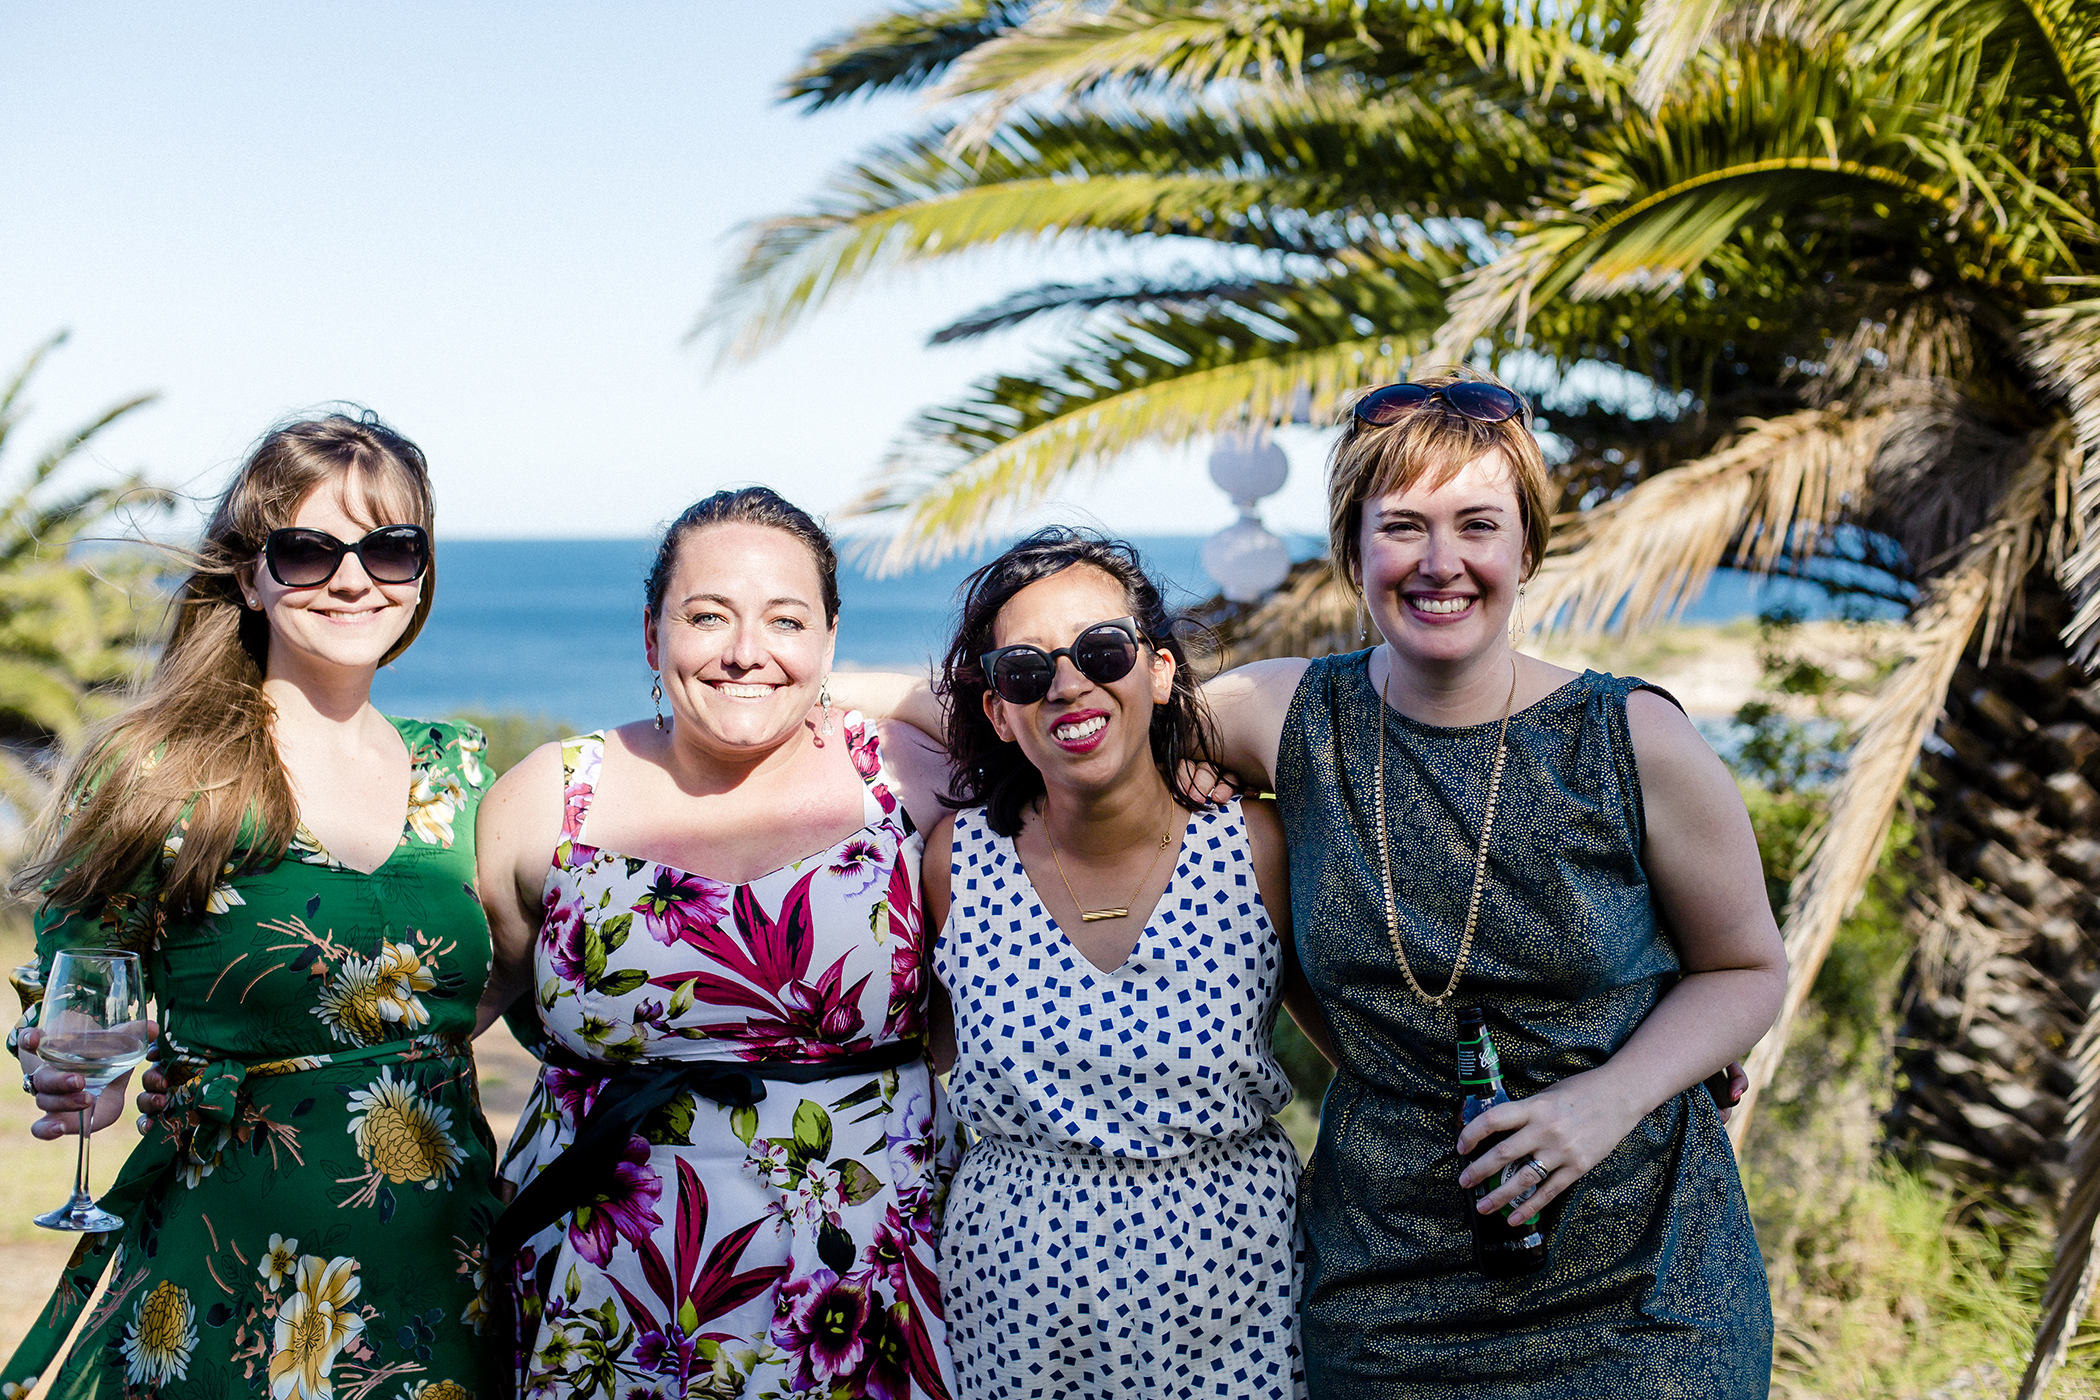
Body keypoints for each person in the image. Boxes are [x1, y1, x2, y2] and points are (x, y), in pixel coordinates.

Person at [1197, 372, 1785, 1396]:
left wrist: (1608, 1096)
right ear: (1352, 551)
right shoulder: (1282, 716)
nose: (1441, 562)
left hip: (1645, 1293)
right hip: (1384, 1294)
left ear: (1526, 548)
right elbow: (1076, 734)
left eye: (1477, 524)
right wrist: (839, 700)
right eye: (1402, 526)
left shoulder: (1630, 738)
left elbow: (1746, 969)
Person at [6, 414, 502, 1399]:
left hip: (442, 1270)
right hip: (229, 1262)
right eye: (309, 550)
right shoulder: (159, 768)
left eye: (390, 548)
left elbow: (516, 979)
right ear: (248, 575)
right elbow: (76, 985)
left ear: (421, 572)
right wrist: (80, 1078)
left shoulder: (462, 771)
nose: (353, 579)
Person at [475, 486, 961, 1400]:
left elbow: (1028, 717)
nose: (744, 650)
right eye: (707, 617)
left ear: (831, 638)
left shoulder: (908, 777)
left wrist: (829, 685)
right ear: (651, 634)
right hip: (604, 1280)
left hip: (863, 1278)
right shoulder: (549, 798)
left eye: (787, 620)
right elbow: (452, 1016)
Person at [921, 529, 1332, 1399]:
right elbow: (919, 1053)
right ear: (998, 712)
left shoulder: (1256, 846)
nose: (1068, 683)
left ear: (1160, 671)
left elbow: (1359, 1051)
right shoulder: (956, 863)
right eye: (1025, 671)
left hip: (1240, 1296)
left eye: (1102, 651)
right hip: (1017, 1314)